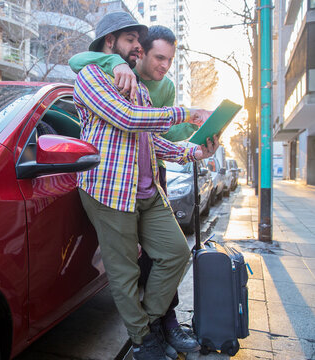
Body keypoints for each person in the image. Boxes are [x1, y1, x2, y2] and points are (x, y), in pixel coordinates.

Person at [71, 12, 218, 360]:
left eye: (140, 43)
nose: (138, 48)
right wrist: (186, 113)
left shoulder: (138, 88)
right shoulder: (91, 78)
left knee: (177, 253)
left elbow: (152, 140)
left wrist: (195, 151)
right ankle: (142, 341)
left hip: (148, 192)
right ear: (110, 43)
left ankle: (149, 322)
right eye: (131, 42)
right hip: (108, 191)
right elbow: (128, 118)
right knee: (124, 274)